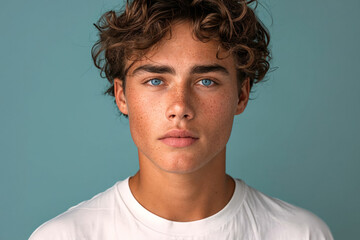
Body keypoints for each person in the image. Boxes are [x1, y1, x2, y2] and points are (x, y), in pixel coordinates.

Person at [29, 0, 334, 239]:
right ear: (122, 96)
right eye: (156, 81)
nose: (180, 107)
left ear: (241, 95)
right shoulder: (63, 236)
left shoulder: (301, 234)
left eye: (206, 82)